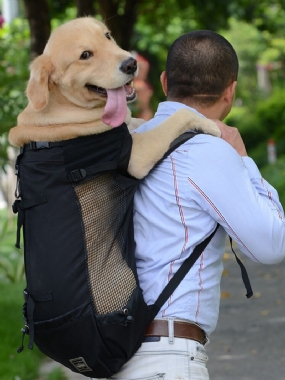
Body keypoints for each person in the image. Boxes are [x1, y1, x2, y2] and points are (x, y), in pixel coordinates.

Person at [102, 30, 285, 380]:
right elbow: (271, 244)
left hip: (116, 349)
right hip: (166, 358)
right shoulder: (207, 151)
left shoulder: (132, 141)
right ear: (230, 90)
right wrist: (244, 159)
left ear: (165, 80)